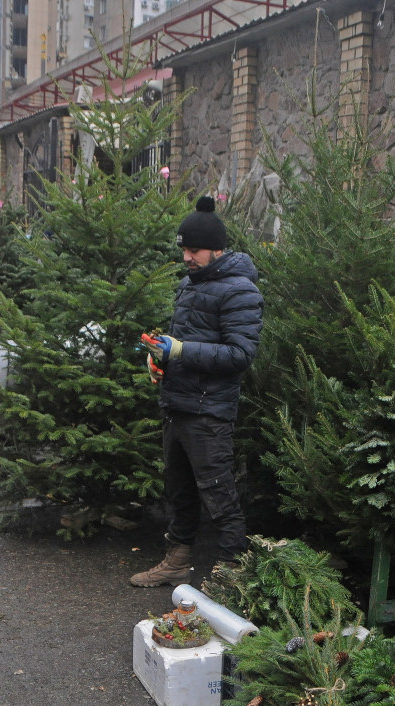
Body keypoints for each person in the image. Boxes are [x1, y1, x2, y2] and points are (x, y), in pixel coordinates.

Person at [130, 196, 264, 587]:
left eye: (195, 250)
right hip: (178, 403)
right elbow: (184, 341)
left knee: (219, 494)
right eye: (184, 249)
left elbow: (240, 354)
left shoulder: (241, 290)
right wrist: (161, 359)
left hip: (209, 412)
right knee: (180, 491)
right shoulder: (190, 284)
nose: (187, 257)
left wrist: (182, 351)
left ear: (217, 250)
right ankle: (176, 562)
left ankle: (234, 576)